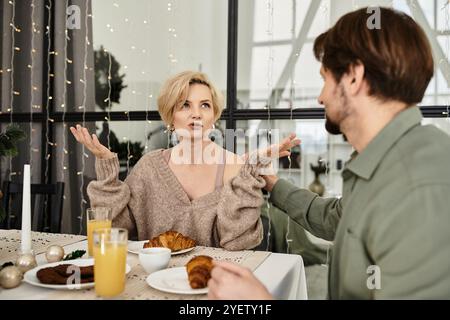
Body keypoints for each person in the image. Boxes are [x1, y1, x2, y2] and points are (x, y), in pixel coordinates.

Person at [208, 7, 450, 298]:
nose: (320, 96)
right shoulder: (383, 161)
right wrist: (273, 184)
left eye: (325, 79)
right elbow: (339, 219)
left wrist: (260, 302)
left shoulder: (419, 187)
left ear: (353, 77)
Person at [70, 71, 298, 251]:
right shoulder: (149, 167)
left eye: (205, 105)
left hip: (211, 286)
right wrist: (107, 168)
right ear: (171, 116)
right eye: (185, 105)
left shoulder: (234, 167)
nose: (196, 114)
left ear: (214, 116)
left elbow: (239, 244)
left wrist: (250, 170)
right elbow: (116, 232)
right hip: (155, 281)